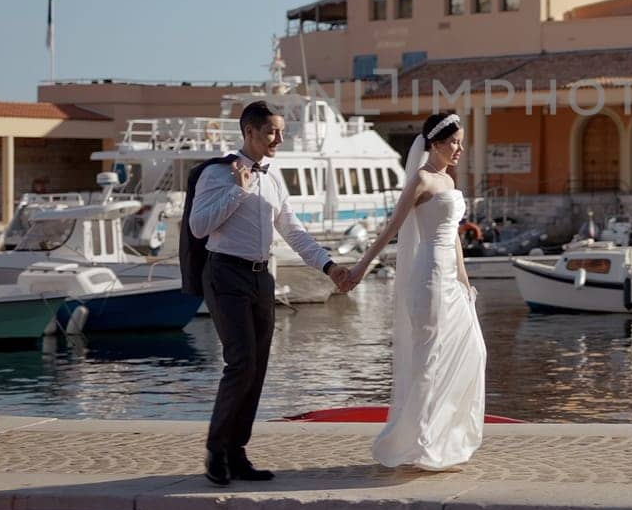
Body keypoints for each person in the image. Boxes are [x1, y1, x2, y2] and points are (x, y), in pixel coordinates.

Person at [187, 101, 352, 486]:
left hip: (262, 277)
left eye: (280, 131)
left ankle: (236, 451)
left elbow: (292, 231)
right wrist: (238, 193)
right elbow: (198, 227)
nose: (279, 138)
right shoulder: (219, 174)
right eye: (272, 132)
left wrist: (330, 268)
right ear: (249, 132)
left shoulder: (274, 179)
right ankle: (216, 449)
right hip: (225, 273)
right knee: (241, 361)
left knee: (258, 366)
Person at [347, 112, 486, 470]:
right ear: (435, 143)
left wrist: (466, 282)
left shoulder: (448, 180)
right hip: (428, 275)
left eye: (461, 143)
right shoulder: (422, 180)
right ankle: (419, 444)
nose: (459, 149)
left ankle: (442, 437)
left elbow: (453, 235)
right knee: (428, 359)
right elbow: (391, 228)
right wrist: (361, 268)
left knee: (473, 349)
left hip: (451, 279)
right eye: (454, 142)